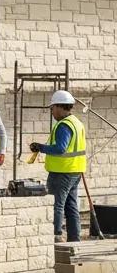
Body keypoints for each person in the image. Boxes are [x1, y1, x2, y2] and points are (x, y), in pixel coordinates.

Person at [30, 90, 86, 242]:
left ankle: (56, 236)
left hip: (62, 172)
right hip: (75, 171)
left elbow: (61, 148)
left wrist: (40, 147)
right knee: (71, 206)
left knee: (56, 204)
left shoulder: (64, 125)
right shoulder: (77, 122)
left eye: (52, 108)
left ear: (60, 106)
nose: (52, 111)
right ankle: (75, 239)